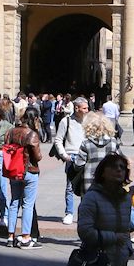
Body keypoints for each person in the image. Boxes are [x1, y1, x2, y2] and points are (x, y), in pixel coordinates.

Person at [2, 108, 43, 247]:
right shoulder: (32, 134)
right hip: (29, 171)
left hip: (14, 171)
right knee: (28, 204)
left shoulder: (11, 131)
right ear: (35, 118)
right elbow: (38, 157)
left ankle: (10, 236)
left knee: (14, 202)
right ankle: (26, 236)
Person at [51, 96, 90, 224]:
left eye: (87, 108)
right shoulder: (66, 121)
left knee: (87, 186)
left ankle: (84, 213)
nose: (87, 110)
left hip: (86, 155)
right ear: (77, 108)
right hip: (72, 156)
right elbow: (58, 139)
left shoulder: (89, 121)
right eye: (84, 108)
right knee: (70, 186)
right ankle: (69, 213)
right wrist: (64, 154)